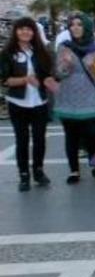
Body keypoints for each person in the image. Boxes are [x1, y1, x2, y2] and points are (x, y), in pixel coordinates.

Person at [0, 17, 57, 192]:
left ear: (34, 32)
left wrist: (49, 81)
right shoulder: (8, 53)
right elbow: (4, 80)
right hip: (18, 102)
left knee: (40, 139)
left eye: (29, 29)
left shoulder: (41, 52)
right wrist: (25, 80)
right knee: (22, 140)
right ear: (16, 31)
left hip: (39, 101)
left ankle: (38, 171)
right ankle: (24, 175)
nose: (25, 32)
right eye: (22, 29)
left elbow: (49, 73)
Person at [53, 14, 95, 184]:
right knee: (71, 135)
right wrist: (66, 65)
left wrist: (94, 68)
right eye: (72, 25)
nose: (75, 28)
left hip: (90, 94)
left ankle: (93, 156)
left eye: (79, 24)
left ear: (87, 27)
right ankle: (74, 170)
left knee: (92, 133)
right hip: (69, 95)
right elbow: (59, 74)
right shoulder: (64, 47)